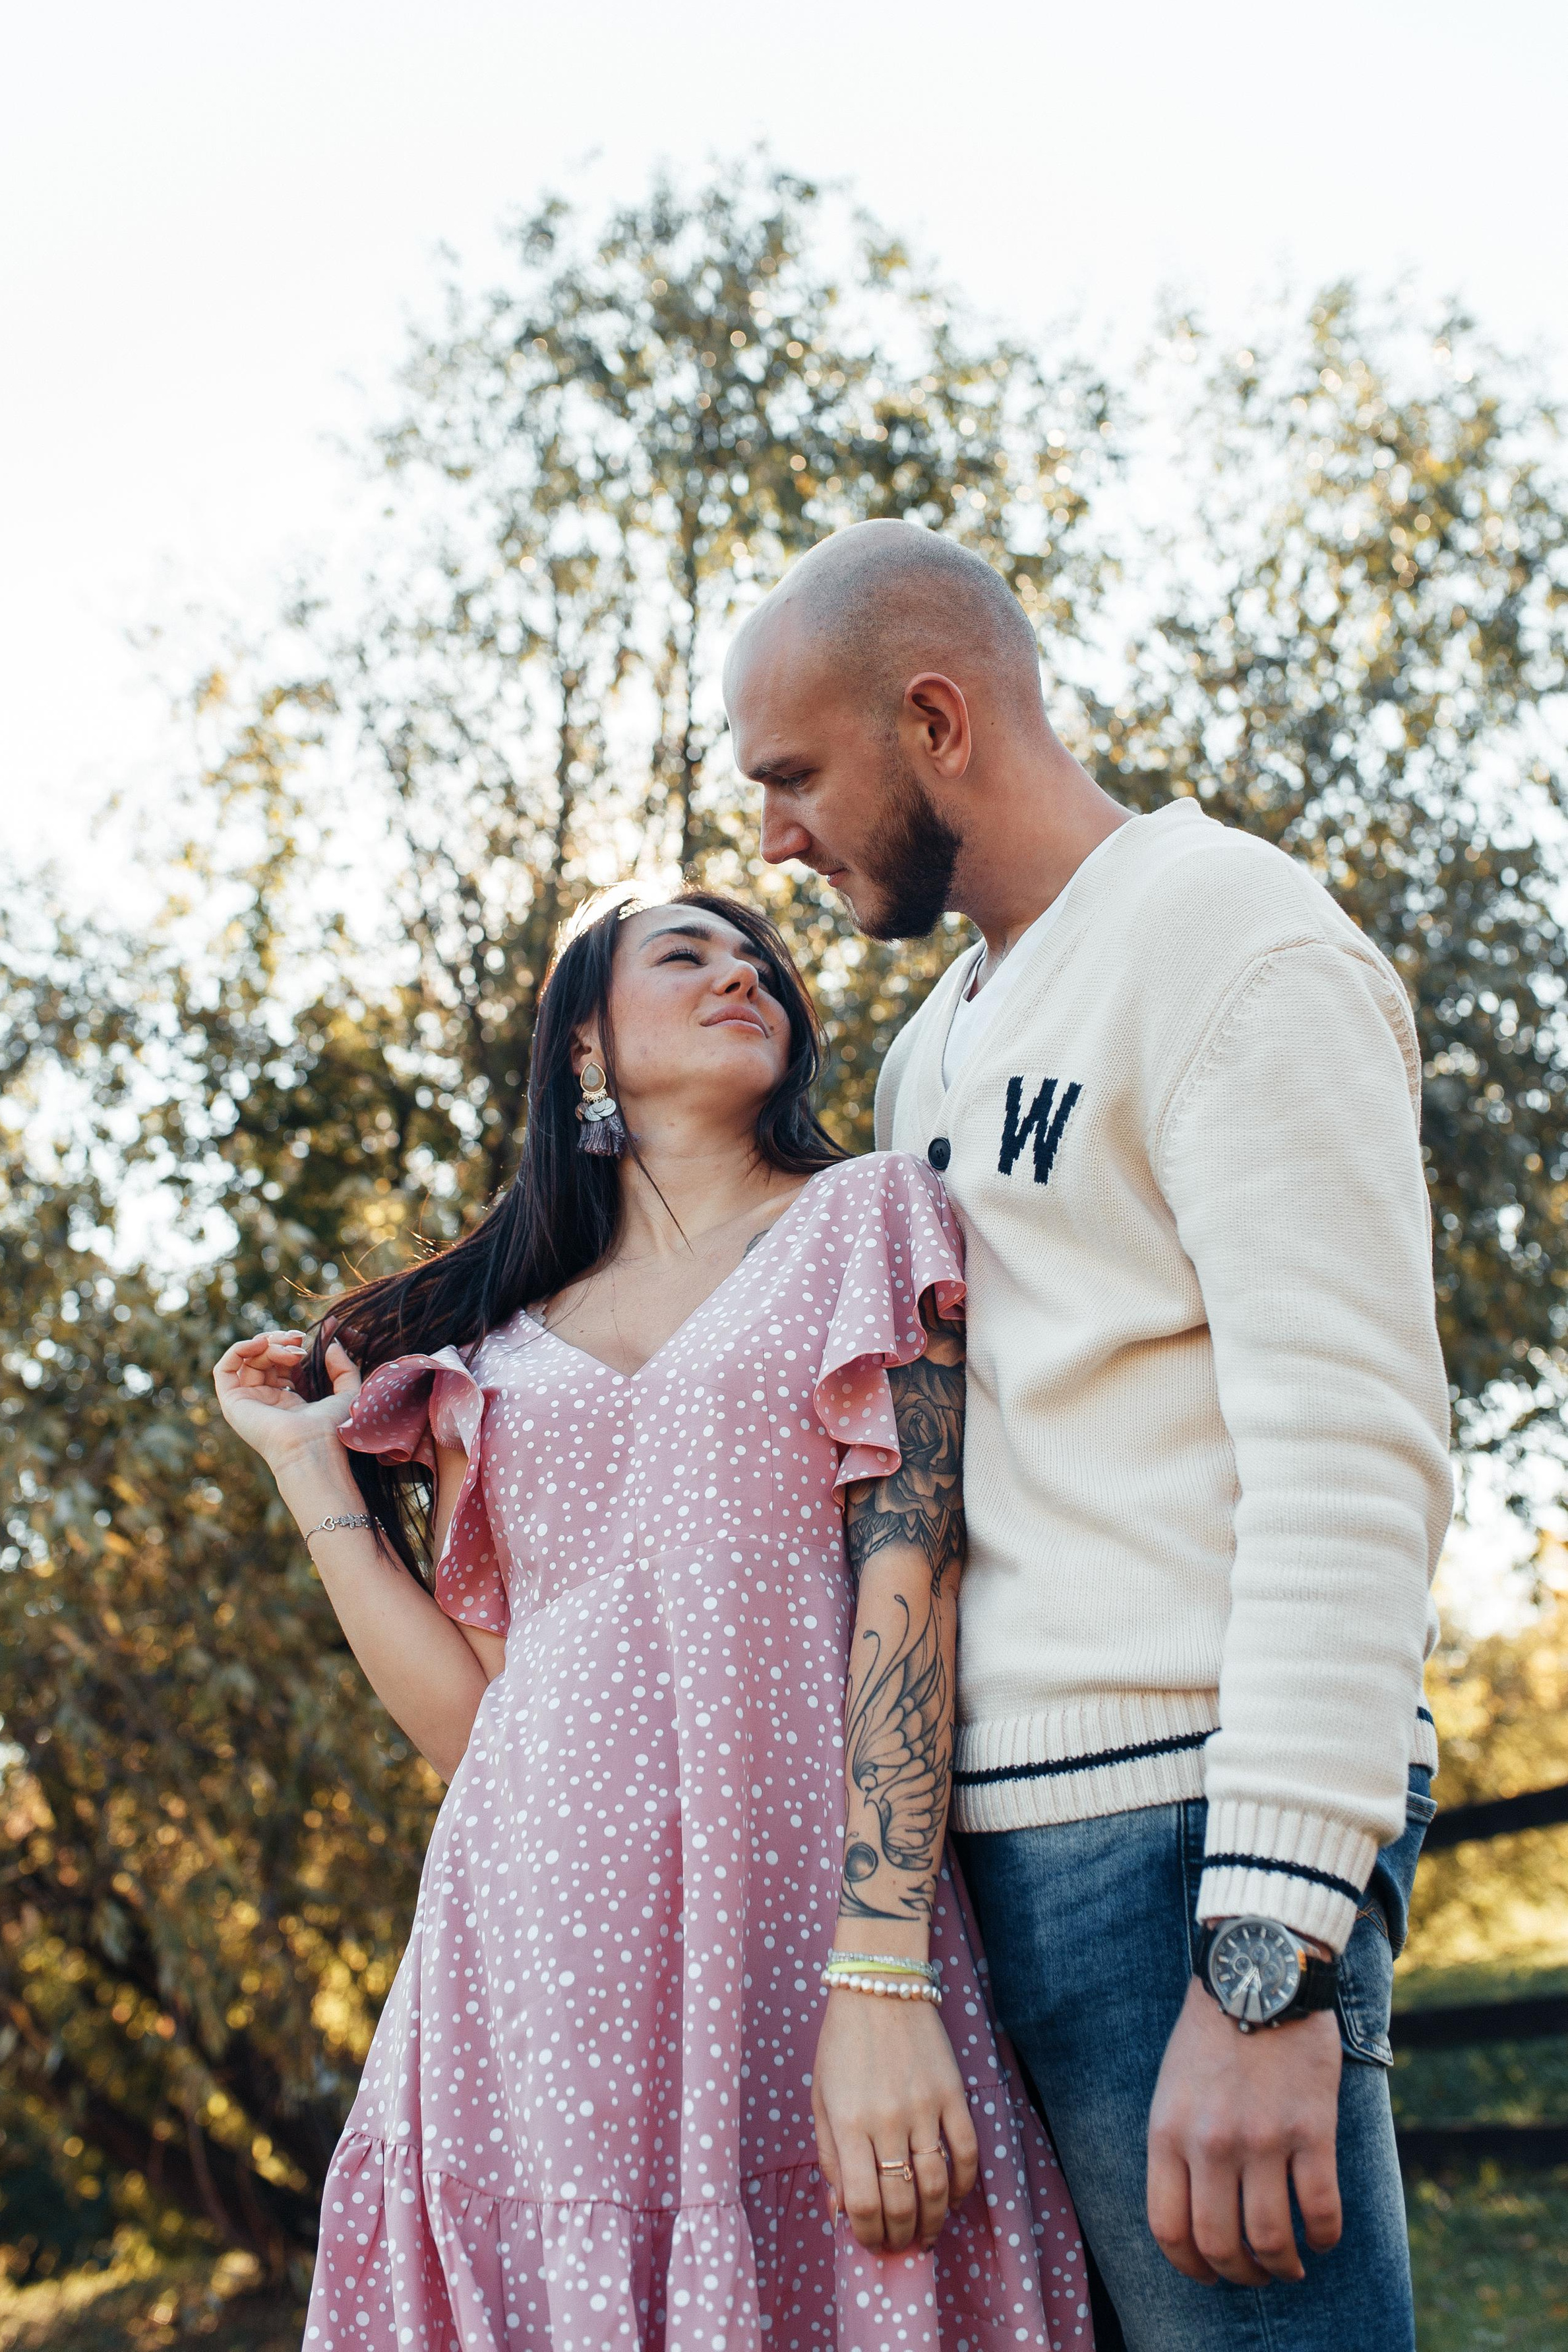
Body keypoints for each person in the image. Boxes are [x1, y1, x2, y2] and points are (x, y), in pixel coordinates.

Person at [726, 522, 1453, 2352]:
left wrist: (1268, 1953)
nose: (775, 841)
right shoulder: (932, 1051)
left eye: (796, 777)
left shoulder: (1232, 942)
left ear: (938, 719)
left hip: (1180, 1843)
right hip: (985, 1878)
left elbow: (1351, 1455)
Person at [214, 890, 1092, 2352]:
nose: (741, 973)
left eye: (760, 963)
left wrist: (879, 1967)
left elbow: (911, 1574)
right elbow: (470, 1719)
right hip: (533, 1951)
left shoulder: (864, 1219)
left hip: (803, 1913)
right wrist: (311, 1472)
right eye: (684, 956)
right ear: (582, 1046)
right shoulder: (487, 1350)